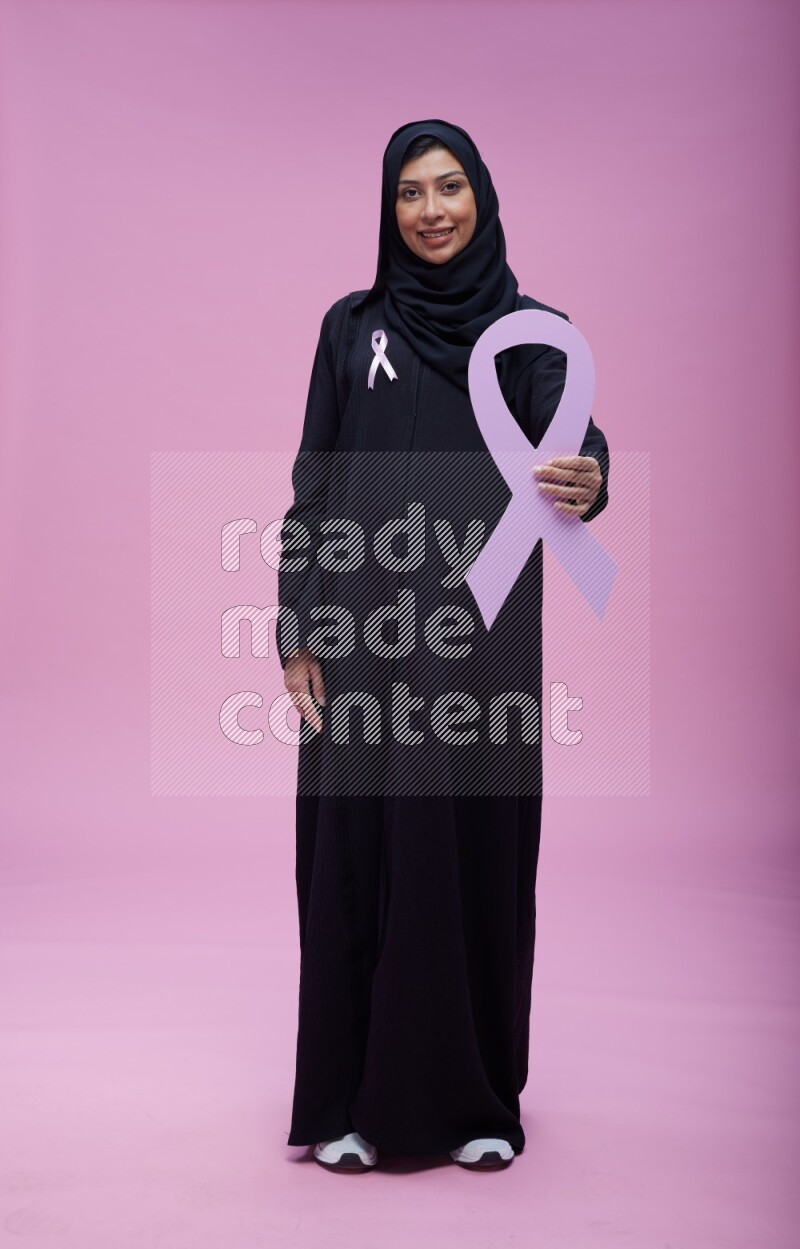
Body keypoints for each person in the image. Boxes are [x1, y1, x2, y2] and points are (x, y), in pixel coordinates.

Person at [277, 119, 609, 1171]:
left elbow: (574, 437)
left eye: (449, 187)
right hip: (359, 637)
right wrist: (296, 627)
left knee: (467, 854)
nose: (430, 211)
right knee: (356, 853)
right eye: (409, 193)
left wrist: (590, 475)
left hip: (477, 649)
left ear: (482, 197)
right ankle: (346, 1101)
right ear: (388, 209)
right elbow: (313, 484)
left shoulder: (532, 334)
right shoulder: (349, 328)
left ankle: (474, 1103)